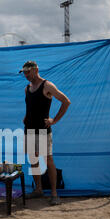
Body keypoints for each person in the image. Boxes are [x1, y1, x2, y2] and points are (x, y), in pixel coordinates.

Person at [19, 60, 71, 205]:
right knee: (33, 160)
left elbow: (66, 101)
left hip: (43, 131)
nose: (26, 75)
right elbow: (31, 106)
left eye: (28, 72)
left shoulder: (47, 85)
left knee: (48, 160)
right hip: (29, 129)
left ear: (36, 69)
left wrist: (54, 120)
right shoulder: (27, 88)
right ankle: (38, 190)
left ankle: (54, 194)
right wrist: (26, 116)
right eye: (24, 73)